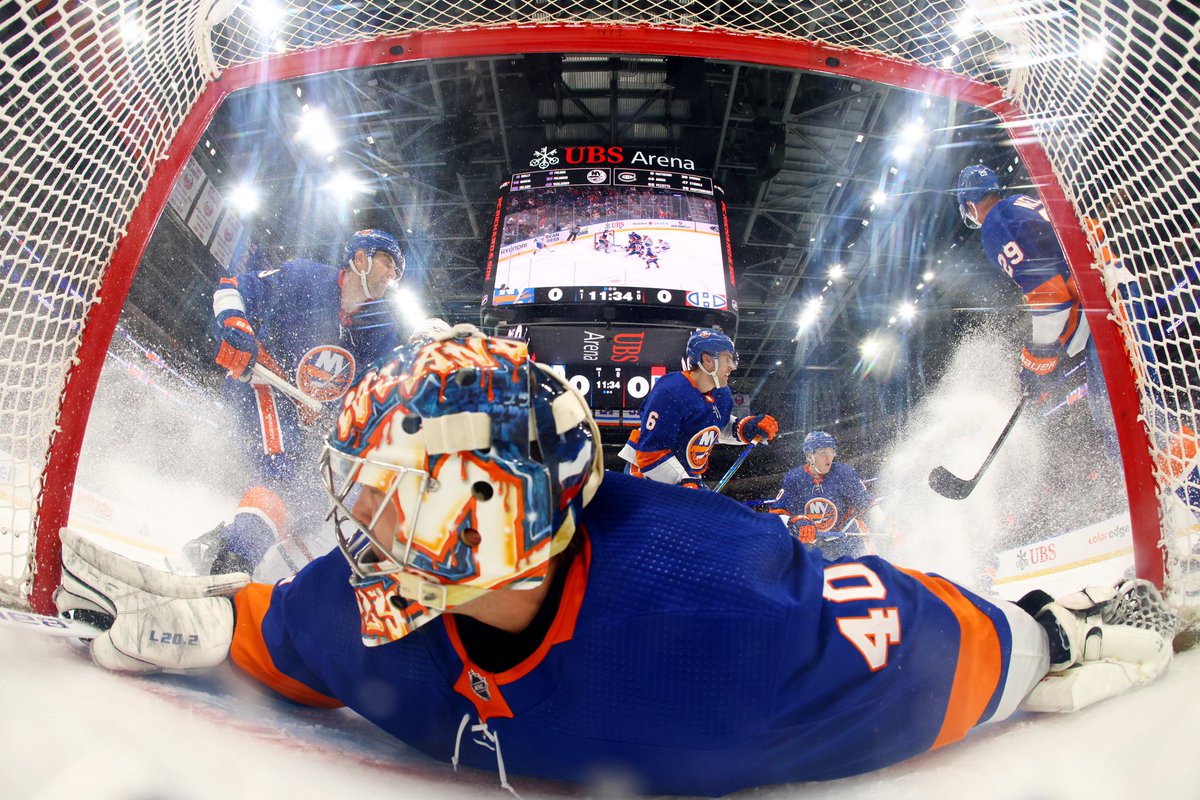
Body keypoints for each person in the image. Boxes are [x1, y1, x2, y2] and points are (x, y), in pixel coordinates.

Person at [55, 327, 1178, 797]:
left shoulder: (727, 622)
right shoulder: (361, 614)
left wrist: (1052, 635)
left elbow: (928, 648)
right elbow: (286, 629)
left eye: (393, 493)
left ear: (487, 508)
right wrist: (220, 628)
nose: (363, 525)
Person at [186, 228, 404, 581]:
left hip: (306, 415)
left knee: (311, 498)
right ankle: (229, 568)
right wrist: (234, 327)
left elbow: (361, 395)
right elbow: (231, 288)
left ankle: (218, 545)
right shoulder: (304, 275)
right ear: (360, 258)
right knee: (283, 475)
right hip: (260, 384)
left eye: (397, 270)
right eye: (388, 263)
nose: (393, 275)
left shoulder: (382, 328)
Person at [956, 164, 1118, 457]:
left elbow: (1051, 300)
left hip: (1106, 311)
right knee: (1122, 415)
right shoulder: (1020, 204)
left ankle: (1180, 496)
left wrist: (1039, 356)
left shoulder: (996, 223)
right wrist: (1043, 362)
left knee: (1116, 422)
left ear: (970, 205)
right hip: (1113, 296)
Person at [618, 327, 778, 487]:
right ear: (707, 360)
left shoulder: (721, 393)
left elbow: (714, 426)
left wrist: (745, 429)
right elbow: (651, 453)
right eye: (727, 359)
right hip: (646, 474)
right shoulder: (670, 391)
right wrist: (685, 485)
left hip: (684, 474)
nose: (732, 366)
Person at [766, 430, 886, 559]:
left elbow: (868, 505)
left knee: (868, 573)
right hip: (812, 545)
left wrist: (887, 526)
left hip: (849, 540)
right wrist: (795, 521)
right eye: (823, 453)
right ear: (809, 456)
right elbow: (775, 516)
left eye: (831, 452)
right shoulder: (794, 478)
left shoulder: (845, 473)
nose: (829, 458)